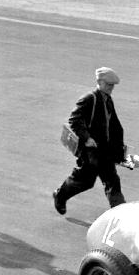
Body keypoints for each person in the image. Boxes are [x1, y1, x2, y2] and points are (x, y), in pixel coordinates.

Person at [53, 67, 127, 215]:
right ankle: (60, 195)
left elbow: (113, 126)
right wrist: (86, 138)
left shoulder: (107, 99)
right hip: (90, 152)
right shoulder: (89, 99)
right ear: (99, 82)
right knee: (84, 181)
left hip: (104, 151)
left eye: (112, 85)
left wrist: (119, 150)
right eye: (108, 84)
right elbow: (74, 119)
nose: (111, 88)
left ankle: (119, 214)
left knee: (112, 181)